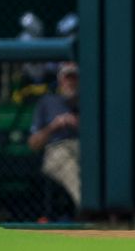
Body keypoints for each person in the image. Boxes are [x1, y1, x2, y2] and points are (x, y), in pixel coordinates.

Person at [28, 61, 81, 210]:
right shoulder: (47, 102)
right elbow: (33, 144)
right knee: (69, 168)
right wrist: (53, 126)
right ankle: (89, 209)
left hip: (86, 148)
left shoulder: (88, 100)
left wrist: (76, 123)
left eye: (74, 78)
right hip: (57, 149)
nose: (70, 82)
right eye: (67, 78)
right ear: (60, 80)